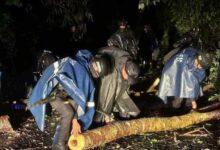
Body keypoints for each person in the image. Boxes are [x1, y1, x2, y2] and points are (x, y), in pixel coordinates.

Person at [28, 50, 113, 150]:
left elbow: (79, 97)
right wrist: (75, 120)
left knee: (71, 111)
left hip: (64, 94)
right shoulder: (80, 66)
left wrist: (78, 120)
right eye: (96, 65)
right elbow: (75, 93)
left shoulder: (87, 75)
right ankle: (58, 146)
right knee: (68, 113)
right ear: (94, 61)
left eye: (98, 69)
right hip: (53, 91)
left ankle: (67, 138)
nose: (95, 68)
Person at [93, 45, 140, 124]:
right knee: (105, 95)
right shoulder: (118, 54)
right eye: (127, 77)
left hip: (115, 78)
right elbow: (101, 50)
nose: (127, 79)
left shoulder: (128, 63)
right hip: (107, 75)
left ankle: (109, 114)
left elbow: (122, 89)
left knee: (120, 92)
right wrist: (99, 59)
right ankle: (100, 117)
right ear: (124, 69)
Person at [158, 47, 210, 111]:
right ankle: (174, 109)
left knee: (192, 94)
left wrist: (193, 100)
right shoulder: (188, 63)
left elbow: (196, 83)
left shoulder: (200, 67)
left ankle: (188, 107)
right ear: (196, 58)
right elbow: (190, 85)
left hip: (186, 73)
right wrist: (193, 101)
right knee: (179, 93)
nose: (199, 67)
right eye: (199, 64)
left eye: (201, 66)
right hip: (175, 70)